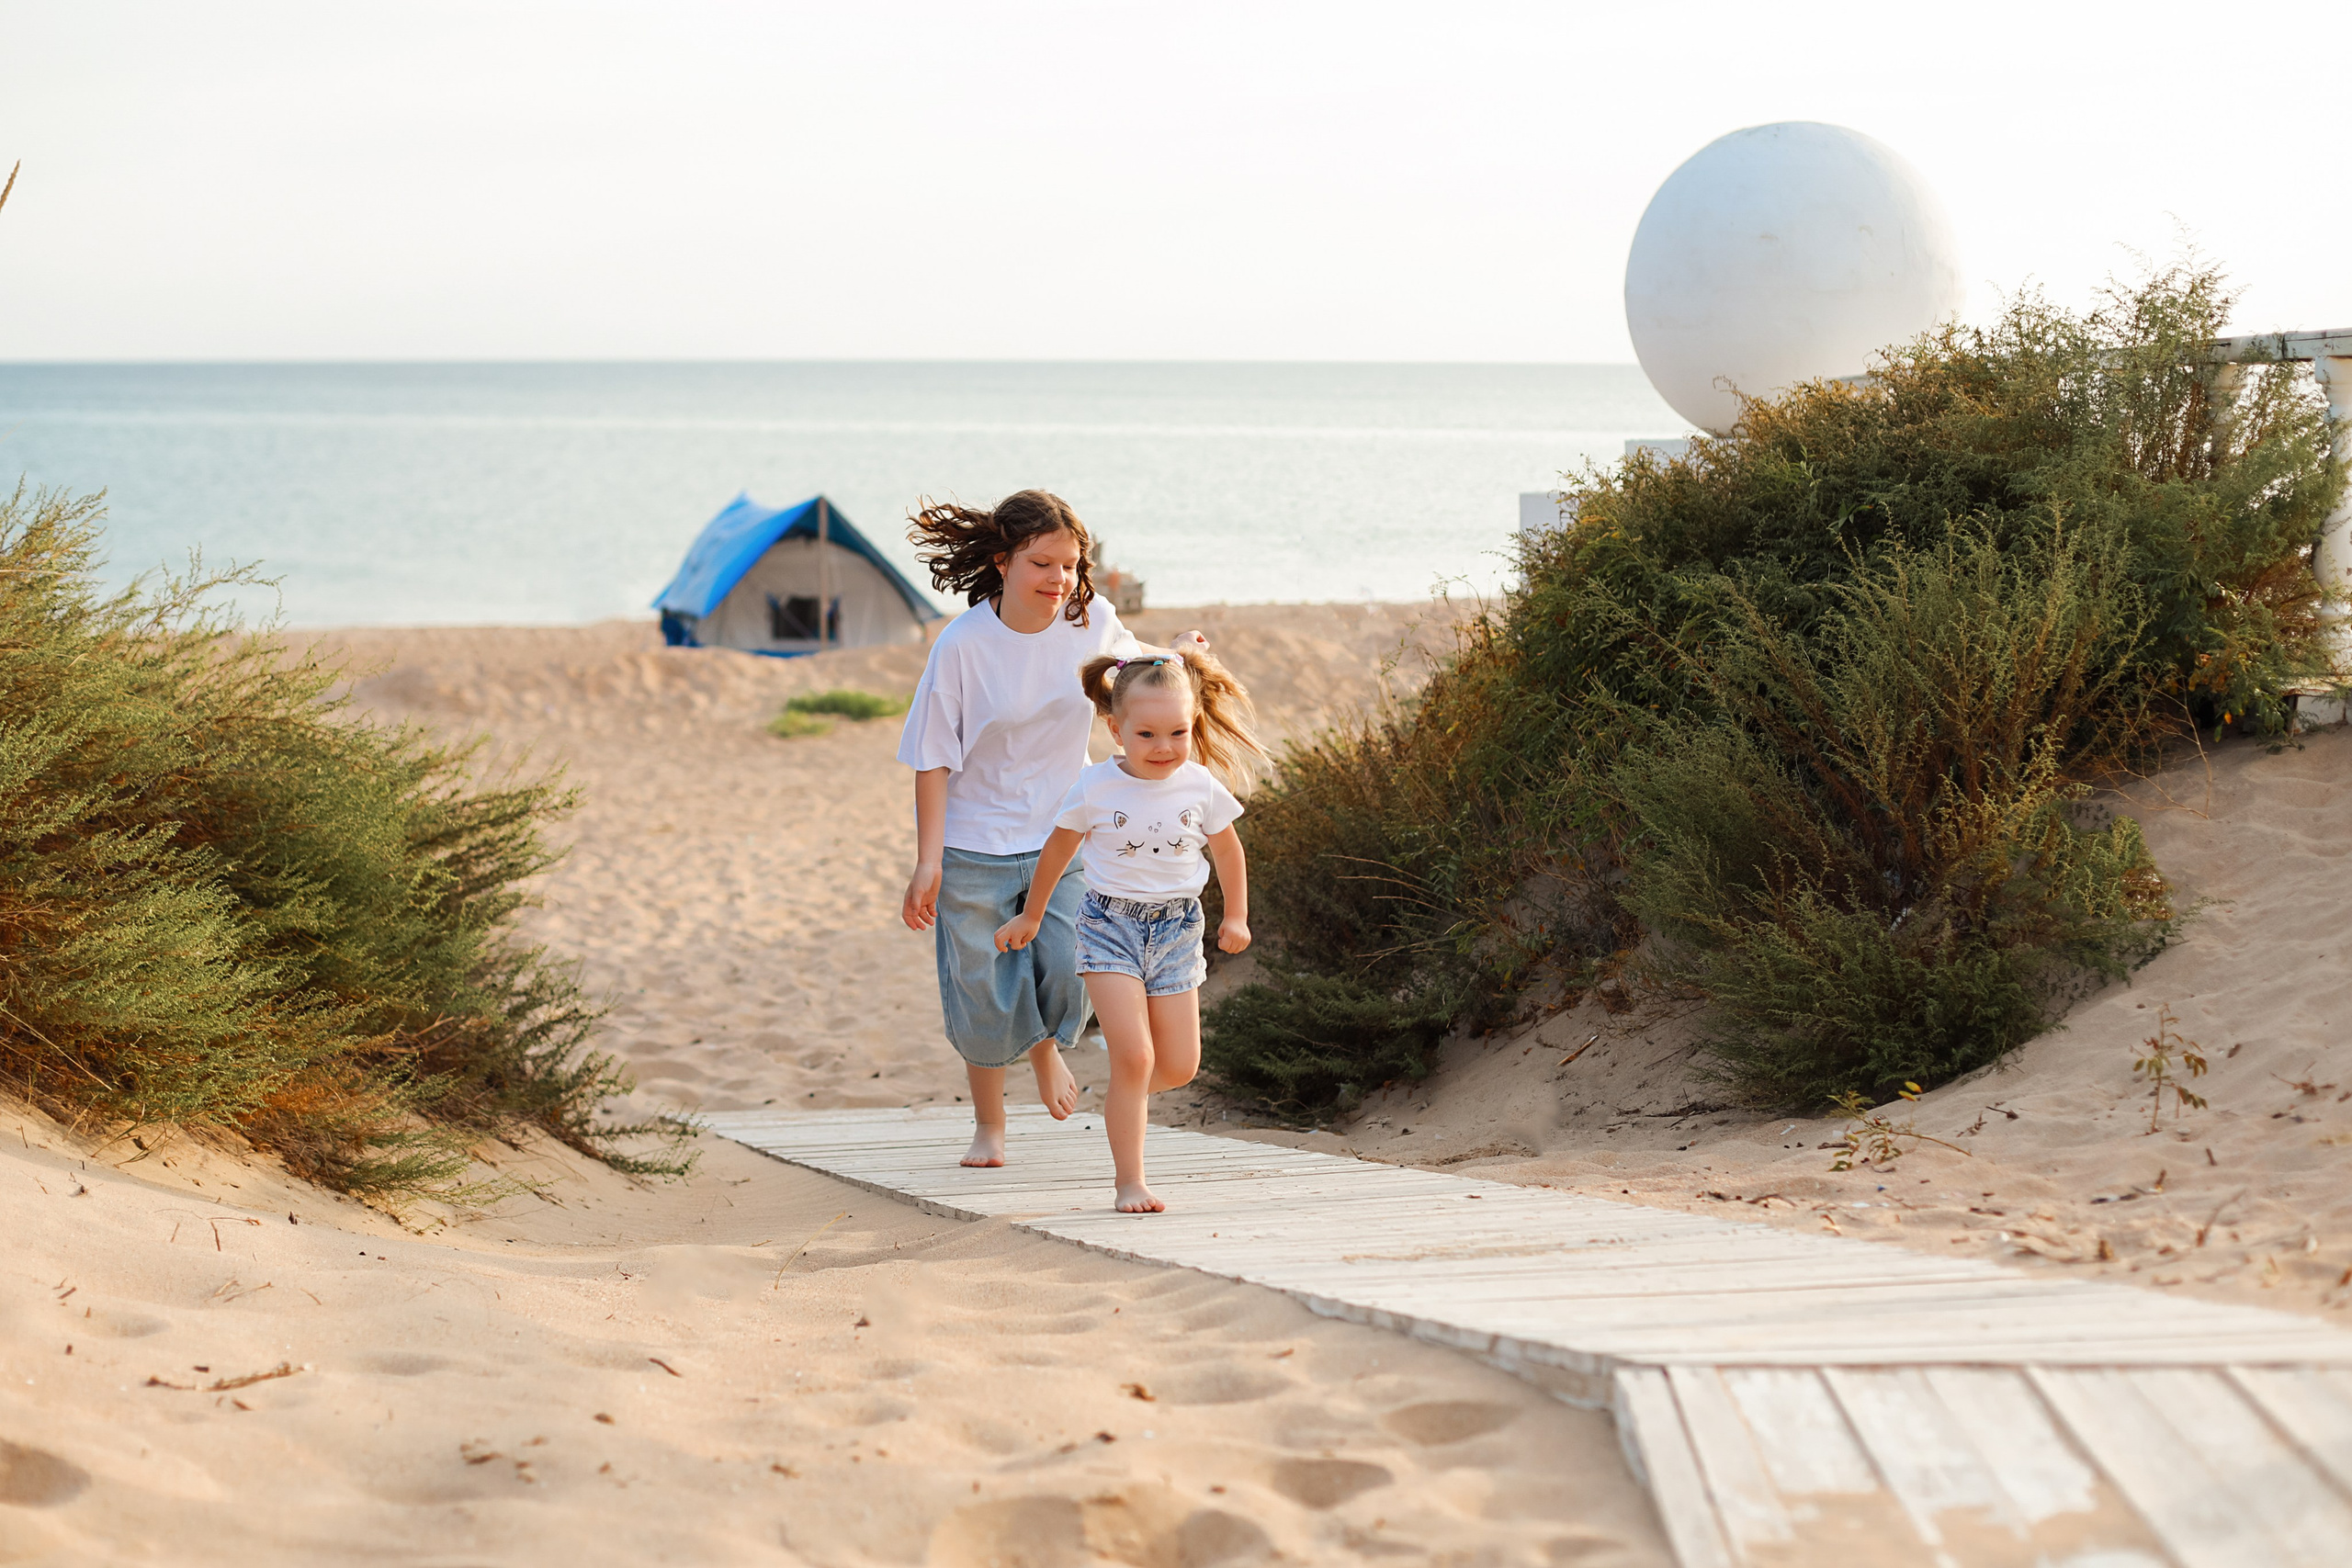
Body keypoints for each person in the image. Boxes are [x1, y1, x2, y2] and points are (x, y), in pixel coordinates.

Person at [897, 491, 1206, 1169]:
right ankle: (991, 1124)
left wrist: (1177, 651)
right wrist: (928, 861)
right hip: (973, 843)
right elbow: (931, 758)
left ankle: (1043, 1045)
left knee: (1069, 967)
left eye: (1070, 565)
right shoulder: (962, 645)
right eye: (1042, 563)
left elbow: (1132, 669)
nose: (1059, 579)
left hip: (1064, 836)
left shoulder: (1091, 619)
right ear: (1003, 561)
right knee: (984, 993)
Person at [992, 649, 1264, 1212]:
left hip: (1177, 931)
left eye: (1177, 732)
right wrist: (1034, 914)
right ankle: (1130, 1182)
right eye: (1146, 734)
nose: (1164, 748)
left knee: (1179, 1066)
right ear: (1116, 730)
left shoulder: (1200, 786)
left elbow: (1230, 851)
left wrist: (1236, 914)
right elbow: (1057, 850)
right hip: (1108, 926)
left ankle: (1123, 1100)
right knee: (1135, 1057)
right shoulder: (1095, 787)